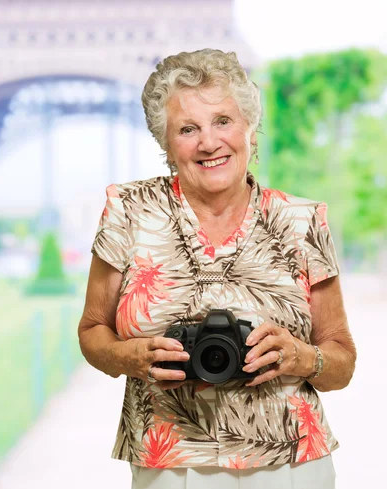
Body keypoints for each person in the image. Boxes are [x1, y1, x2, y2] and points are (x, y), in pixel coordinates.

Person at [77, 49, 357, 489]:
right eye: (188, 129)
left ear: (250, 128)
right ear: (166, 144)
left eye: (223, 121)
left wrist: (300, 356)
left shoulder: (302, 221)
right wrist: (127, 356)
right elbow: (92, 331)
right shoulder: (128, 210)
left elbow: (341, 363)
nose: (209, 142)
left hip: (292, 463)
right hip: (168, 459)